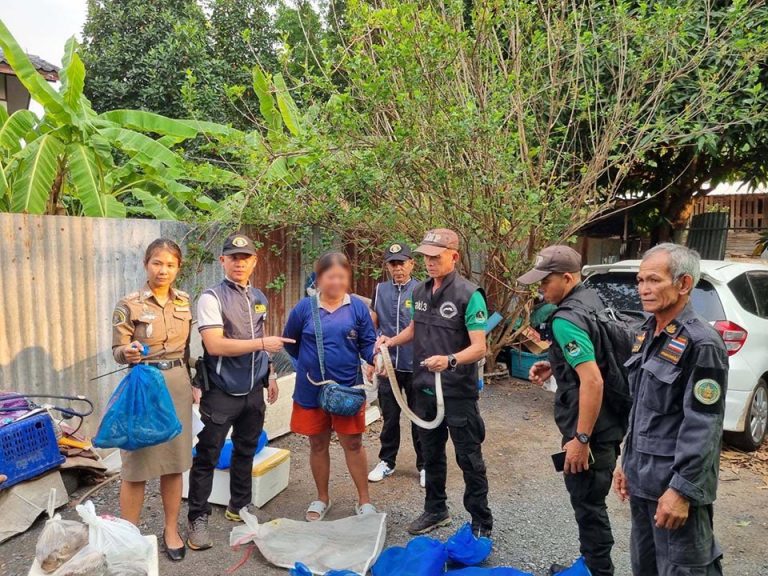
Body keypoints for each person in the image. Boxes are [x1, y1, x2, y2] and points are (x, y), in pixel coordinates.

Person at [613, 244, 728, 575]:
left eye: (654, 280)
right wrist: (626, 462)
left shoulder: (702, 343)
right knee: (645, 568)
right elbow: (643, 410)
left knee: (684, 570)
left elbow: (704, 425)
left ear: (683, 284)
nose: (643, 289)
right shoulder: (649, 332)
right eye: (640, 280)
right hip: (644, 482)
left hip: (673, 489)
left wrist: (682, 490)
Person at [376, 228, 493, 537]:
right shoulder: (419, 292)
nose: (429, 262)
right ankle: (436, 510)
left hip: (457, 391)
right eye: (425, 256)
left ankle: (481, 521)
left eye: (436, 257)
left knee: (469, 458)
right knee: (431, 454)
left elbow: (479, 347)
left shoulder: (469, 295)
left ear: (454, 257)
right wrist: (390, 341)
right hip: (424, 388)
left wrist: (450, 360)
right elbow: (414, 329)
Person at [521, 246, 628, 576]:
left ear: (567, 278)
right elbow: (598, 352)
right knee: (590, 504)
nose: (541, 289)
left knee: (588, 506)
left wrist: (581, 439)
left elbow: (592, 380)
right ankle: (592, 565)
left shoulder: (565, 319)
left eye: (545, 282)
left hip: (591, 431)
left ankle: (597, 570)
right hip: (610, 420)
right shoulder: (591, 298)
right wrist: (556, 365)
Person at [186, 233, 291, 551]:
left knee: (246, 449)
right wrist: (262, 344)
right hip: (221, 390)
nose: (239, 263)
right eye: (233, 257)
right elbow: (215, 345)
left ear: (254, 261)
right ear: (223, 261)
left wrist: (270, 373)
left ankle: (239, 506)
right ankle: (197, 518)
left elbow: (260, 335)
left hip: (253, 389)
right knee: (208, 455)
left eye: (245, 258)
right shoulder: (211, 298)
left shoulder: (258, 296)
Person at [111, 238, 194, 562]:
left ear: (178, 268)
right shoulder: (129, 304)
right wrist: (127, 351)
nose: (163, 270)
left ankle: (170, 530)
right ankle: (129, 537)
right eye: (157, 263)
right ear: (146, 264)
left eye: (170, 265)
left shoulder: (184, 301)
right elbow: (117, 350)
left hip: (177, 385)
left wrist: (195, 383)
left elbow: (187, 349)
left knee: (173, 463)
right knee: (136, 464)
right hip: (143, 387)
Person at [282, 252, 378, 521]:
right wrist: (308, 366)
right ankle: (322, 498)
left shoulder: (357, 308)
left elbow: (367, 344)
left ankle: (364, 500)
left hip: (348, 389)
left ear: (348, 278)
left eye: (341, 277)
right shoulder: (304, 308)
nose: (336, 282)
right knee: (317, 443)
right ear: (319, 278)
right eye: (330, 276)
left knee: (353, 443)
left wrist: (376, 358)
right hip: (311, 389)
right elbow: (291, 344)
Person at [367, 242, 425, 486]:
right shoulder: (380, 290)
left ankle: (424, 465)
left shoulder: (422, 290)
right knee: (389, 418)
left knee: (419, 417)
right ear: (387, 266)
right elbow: (372, 324)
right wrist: (371, 358)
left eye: (401, 263)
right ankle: (387, 461)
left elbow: (424, 328)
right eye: (392, 264)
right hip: (387, 366)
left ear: (412, 264)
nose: (397, 268)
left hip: (416, 365)